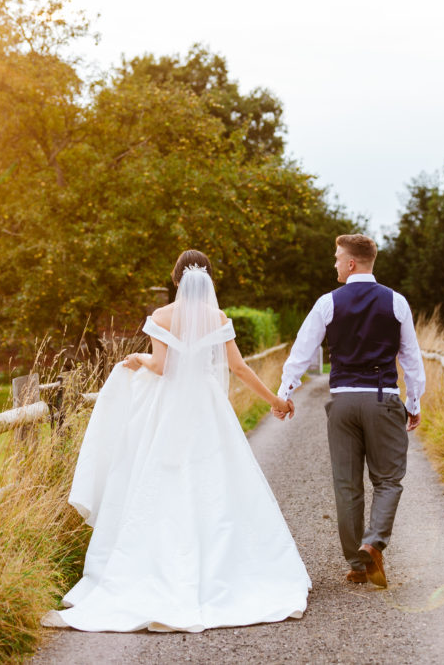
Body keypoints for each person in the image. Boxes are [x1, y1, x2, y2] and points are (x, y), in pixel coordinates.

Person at [43, 250, 310, 632]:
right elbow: (238, 367)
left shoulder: (161, 317)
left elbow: (162, 367)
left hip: (166, 411)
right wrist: (275, 401)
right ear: (208, 281)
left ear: (176, 278)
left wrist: (136, 357)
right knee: (217, 483)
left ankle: (152, 566)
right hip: (207, 408)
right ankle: (228, 570)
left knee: (156, 481)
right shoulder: (218, 319)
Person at [274, 234, 425, 589]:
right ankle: (373, 542)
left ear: (352, 262)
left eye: (338, 258)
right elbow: (411, 359)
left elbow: (302, 351)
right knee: (388, 479)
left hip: (341, 403)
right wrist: (413, 403)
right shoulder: (396, 302)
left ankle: (358, 565)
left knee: (346, 484)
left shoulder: (328, 303)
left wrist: (285, 393)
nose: (335, 264)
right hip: (382, 399)